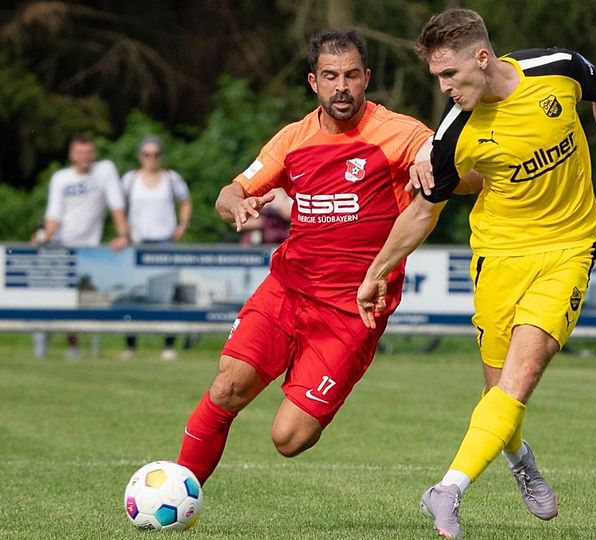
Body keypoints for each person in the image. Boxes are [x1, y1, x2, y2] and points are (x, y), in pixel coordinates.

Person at [356, 9, 596, 538]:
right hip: (498, 260)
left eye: (450, 75)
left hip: (570, 249)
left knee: (520, 381)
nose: (444, 88)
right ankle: (520, 460)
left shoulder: (556, 68)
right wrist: (378, 270)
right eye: (437, 78)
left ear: (482, 58)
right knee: (499, 398)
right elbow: (423, 210)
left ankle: (447, 490)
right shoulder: (453, 134)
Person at [174, 30, 433, 487]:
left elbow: (439, 154)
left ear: (367, 78)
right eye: (331, 76)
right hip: (286, 292)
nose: (342, 87)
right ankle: (178, 489)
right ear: (313, 81)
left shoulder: (398, 132)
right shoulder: (293, 138)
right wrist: (236, 203)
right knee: (227, 385)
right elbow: (230, 191)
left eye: (352, 75)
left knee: (289, 438)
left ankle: (311, 379)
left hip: (352, 312)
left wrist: (432, 161)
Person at [34, 135, 130, 359]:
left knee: (83, 300)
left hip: (89, 251)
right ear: (71, 154)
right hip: (61, 247)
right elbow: (54, 214)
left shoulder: (105, 171)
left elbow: (116, 205)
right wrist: (43, 237)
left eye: (88, 152)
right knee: (54, 301)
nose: (84, 157)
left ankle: (78, 347)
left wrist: (123, 235)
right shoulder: (61, 178)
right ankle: (46, 341)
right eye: (80, 152)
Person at [120, 135, 193, 361]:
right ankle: (131, 345)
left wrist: (182, 225)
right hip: (138, 244)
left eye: (156, 154)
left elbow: (185, 201)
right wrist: (124, 231)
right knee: (134, 293)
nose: (151, 158)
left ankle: (169, 344)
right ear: (140, 156)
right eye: (147, 154)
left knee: (168, 295)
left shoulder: (171, 178)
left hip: (165, 243)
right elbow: (118, 207)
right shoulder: (130, 179)